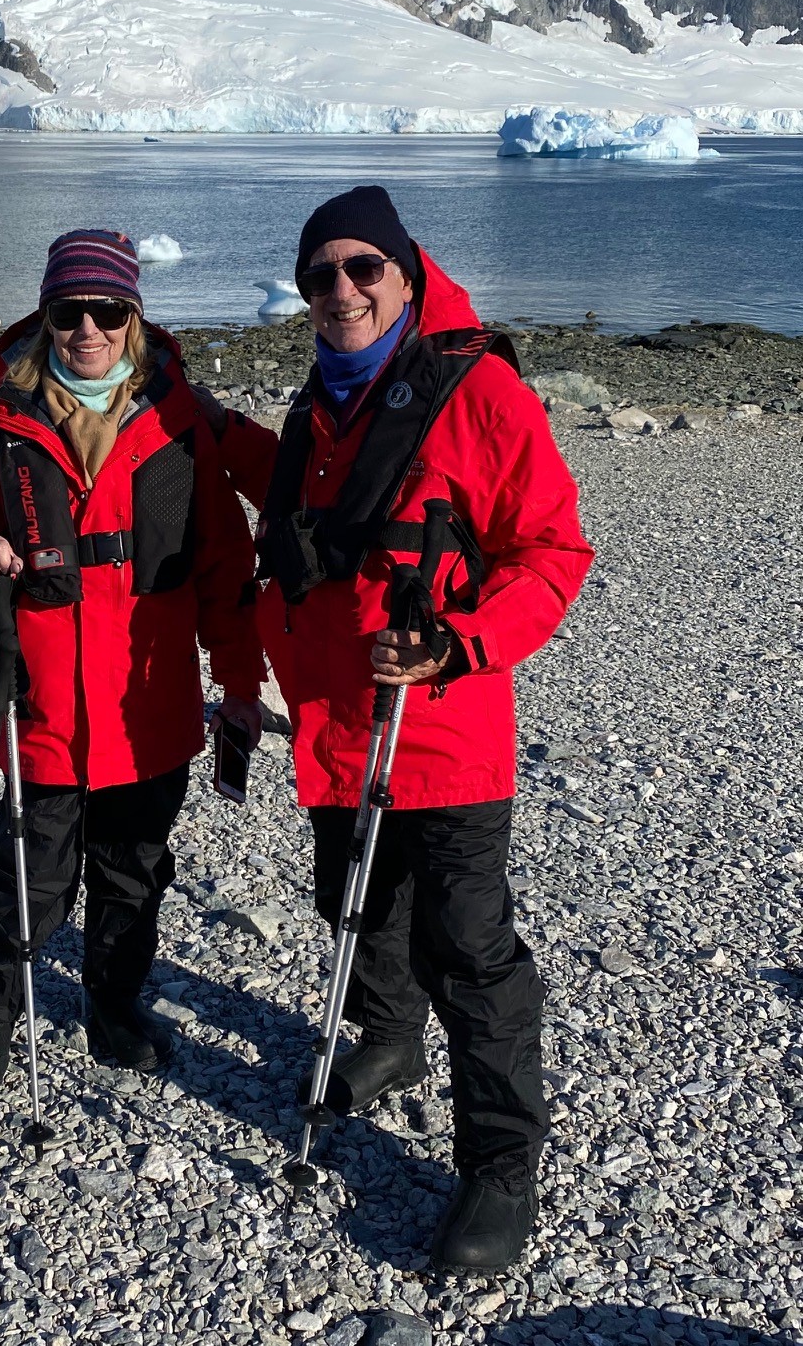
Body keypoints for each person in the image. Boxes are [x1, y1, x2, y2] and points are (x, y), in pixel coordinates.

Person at [203, 185, 593, 1272]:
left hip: (442, 733)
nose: (341, 289)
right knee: (355, 904)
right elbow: (295, 514)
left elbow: (552, 554)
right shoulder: (314, 411)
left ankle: (499, 1168)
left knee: (468, 951)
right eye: (320, 274)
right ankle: (386, 1039)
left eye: (362, 268)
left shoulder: (477, 394)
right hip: (337, 730)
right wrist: (176, 410)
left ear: (406, 275)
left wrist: (462, 643)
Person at [0, 227, 264, 1090]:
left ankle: (114, 1008)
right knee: (28, 873)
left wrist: (238, 680)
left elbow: (224, 566)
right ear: (46, 317)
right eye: (70, 311)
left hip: (149, 703)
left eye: (108, 310)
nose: (89, 328)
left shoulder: (181, 425)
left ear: (133, 318)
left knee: (133, 872)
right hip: (42, 699)